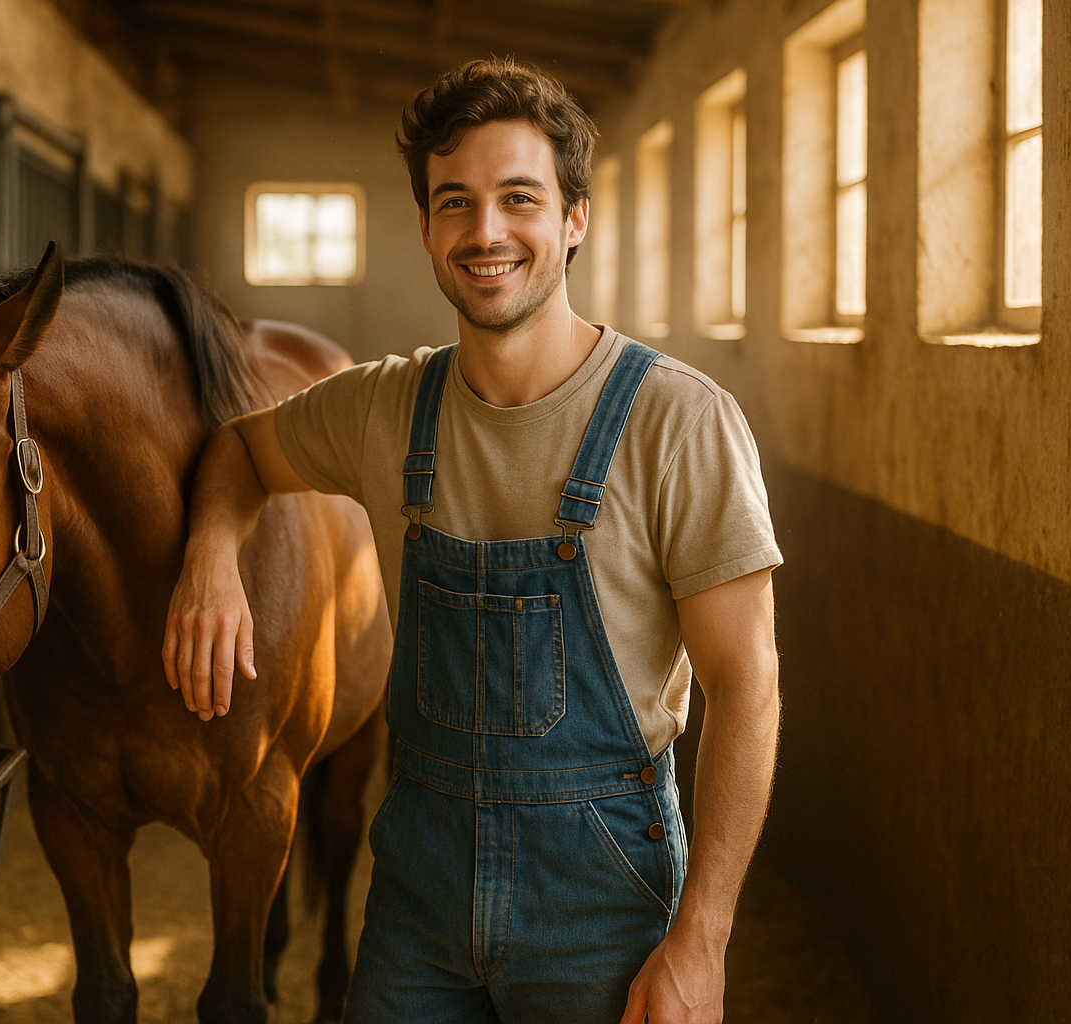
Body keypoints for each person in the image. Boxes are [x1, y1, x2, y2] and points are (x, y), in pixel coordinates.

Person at [163, 57, 781, 1024]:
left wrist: (701, 935)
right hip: (418, 890)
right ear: (425, 228)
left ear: (575, 217)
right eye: (456, 202)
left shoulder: (678, 421)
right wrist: (211, 556)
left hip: (604, 894)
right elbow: (238, 454)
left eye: (518, 199)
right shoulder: (382, 405)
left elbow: (748, 684)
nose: (485, 231)